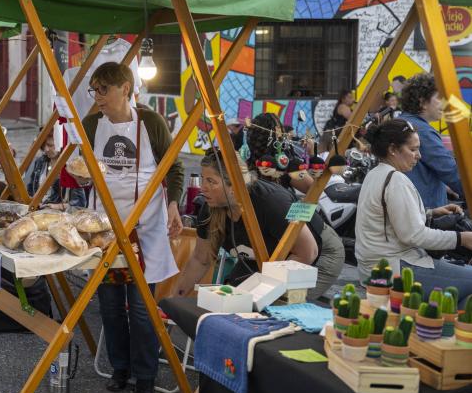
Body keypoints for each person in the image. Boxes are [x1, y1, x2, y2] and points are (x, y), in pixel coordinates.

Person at [72, 62, 183, 393]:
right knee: (109, 305)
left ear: (125, 87)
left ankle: (146, 375)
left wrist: (174, 204)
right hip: (103, 229)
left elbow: (174, 165)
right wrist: (80, 176)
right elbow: (83, 169)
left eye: (103, 89)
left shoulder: (151, 123)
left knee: (141, 307)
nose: (97, 97)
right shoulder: (91, 124)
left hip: (144, 228)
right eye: (94, 90)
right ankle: (120, 368)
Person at [175, 150, 344, 301]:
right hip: (266, 258)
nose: (203, 188)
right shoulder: (211, 208)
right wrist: (173, 299)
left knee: (275, 308)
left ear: (234, 184)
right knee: (233, 299)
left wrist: (260, 297)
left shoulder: (272, 202)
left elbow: (307, 252)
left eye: (211, 181)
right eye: (203, 179)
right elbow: (200, 259)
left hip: (318, 254)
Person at [355, 119, 472, 300]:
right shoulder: (395, 180)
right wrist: (461, 238)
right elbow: (415, 235)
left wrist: (431, 213)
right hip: (395, 268)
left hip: (376, 267)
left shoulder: (376, 174)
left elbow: (388, 218)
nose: (418, 156)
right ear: (393, 149)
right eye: (413, 149)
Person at [398, 73, 464, 209]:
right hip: (427, 212)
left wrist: (442, 186)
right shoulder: (423, 131)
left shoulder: (401, 122)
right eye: (439, 98)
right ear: (422, 102)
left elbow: (418, 171)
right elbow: (451, 171)